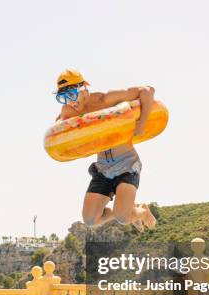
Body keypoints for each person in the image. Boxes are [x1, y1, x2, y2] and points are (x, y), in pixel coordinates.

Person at [54, 69, 157, 231]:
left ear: (84, 90)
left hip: (126, 163)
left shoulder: (106, 99)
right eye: (63, 97)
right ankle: (128, 211)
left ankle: (141, 211)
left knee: (123, 217)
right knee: (90, 219)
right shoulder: (69, 111)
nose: (70, 101)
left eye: (72, 94)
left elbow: (148, 91)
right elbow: (58, 132)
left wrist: (141, 124)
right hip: (103, 168)